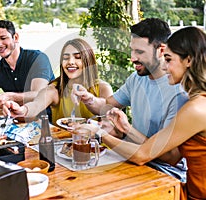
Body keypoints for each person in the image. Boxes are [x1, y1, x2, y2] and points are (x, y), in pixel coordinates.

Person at [95, 26, 206, 199]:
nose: (165, 67)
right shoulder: (202, 101)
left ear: (188, 60)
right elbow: (164, 152)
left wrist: (99, 134)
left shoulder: (197, 108)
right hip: (198, 189)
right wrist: (126, 128)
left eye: (168, 60)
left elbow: (142, 155)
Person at [72, 18, 188, 182]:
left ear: (161, 50)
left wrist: (108, 132)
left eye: (139, 52)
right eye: (132, 51)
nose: (132, 58)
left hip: (167, 173)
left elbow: (169, 157)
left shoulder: (179, 92)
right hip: (134, 158)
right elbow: (106, 106)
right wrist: (88, 98)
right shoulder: (137, 79)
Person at [3, 38, 113, 124]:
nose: (70, 62)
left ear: (88, 61)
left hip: (98, 150)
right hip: (63, 149)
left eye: (77, 57)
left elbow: (109, 119)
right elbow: (36, 105)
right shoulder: (55, 89)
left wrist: (89, 101)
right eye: (65, 58)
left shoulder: (103, 88)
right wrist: (21, 110)